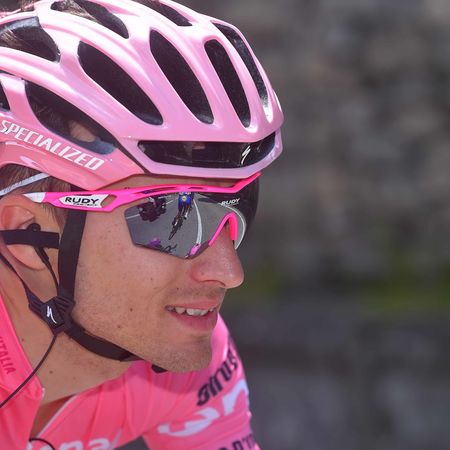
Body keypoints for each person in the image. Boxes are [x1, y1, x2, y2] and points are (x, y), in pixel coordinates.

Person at [0, 0, 283, 449]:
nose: (229, 273)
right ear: (29, 234)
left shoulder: (177, 356)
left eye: (238, 205)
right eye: (172, 217)